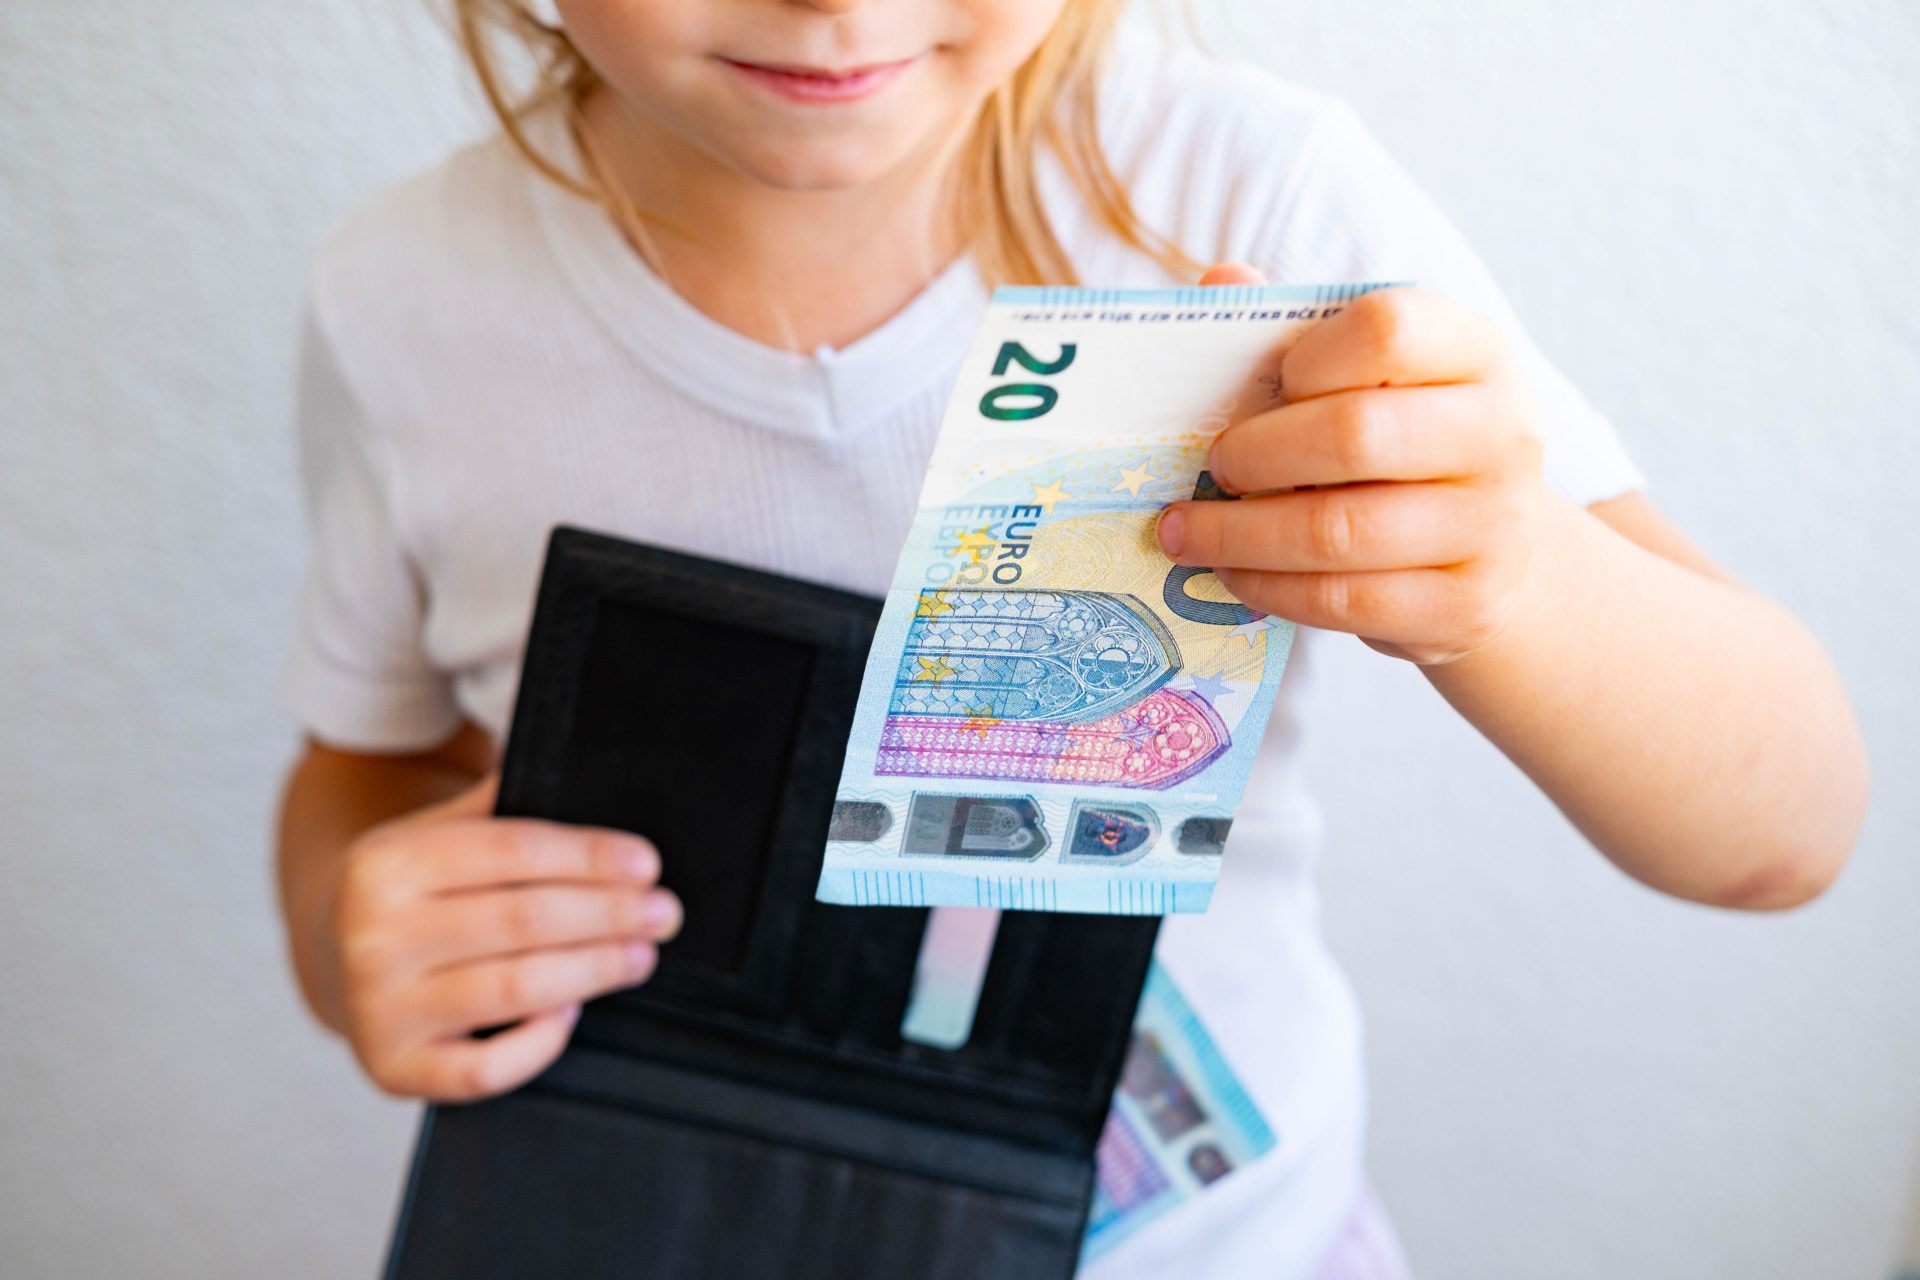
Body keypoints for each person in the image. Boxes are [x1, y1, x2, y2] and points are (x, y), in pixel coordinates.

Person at [272, 2, 1870, 1276]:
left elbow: (1784, 830)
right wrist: (359, 939)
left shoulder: (1248, 200)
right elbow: (369, 764)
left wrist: (1515, 575)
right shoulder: (404, 300)